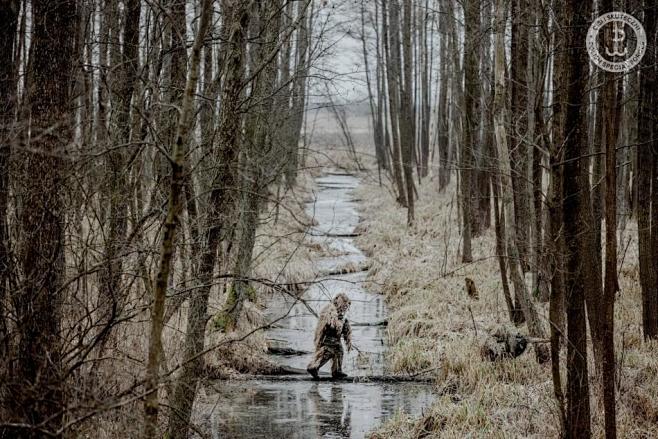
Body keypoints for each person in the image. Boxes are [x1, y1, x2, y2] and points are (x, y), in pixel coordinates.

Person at [307, 292, 352, 379]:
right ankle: (314, 367)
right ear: (339, 302)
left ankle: (337, 371)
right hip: (328, 338)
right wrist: (339, 323)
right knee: (329, 353)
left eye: (347, 305)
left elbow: (341, 323)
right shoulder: (330, 310)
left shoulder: (340, 313)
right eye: (344, 304)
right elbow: (330, 323)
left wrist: (346, 328)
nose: (345, 307)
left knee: (339, 352)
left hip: (336, 338)